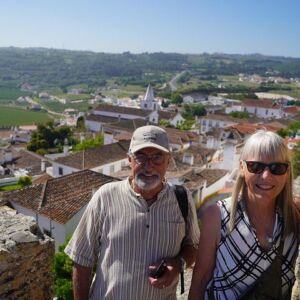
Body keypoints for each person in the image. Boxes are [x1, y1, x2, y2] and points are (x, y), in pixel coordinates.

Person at [65, 125, 200, 300]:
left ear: (169, 161)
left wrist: (179, 264)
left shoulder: (182, 199)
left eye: (157, 157)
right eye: (141, 157)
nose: (149, 166)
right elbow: (82, 260)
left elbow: (194, 246)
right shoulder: (105, 197)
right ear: (129, 160)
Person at [188, 130, 299, 300]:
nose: (266, 176)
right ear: (241, 167)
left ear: (287, 172)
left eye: (277, 168)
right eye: (256, 166)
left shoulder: (295, 215)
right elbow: (201, 279)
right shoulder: (218, 215)